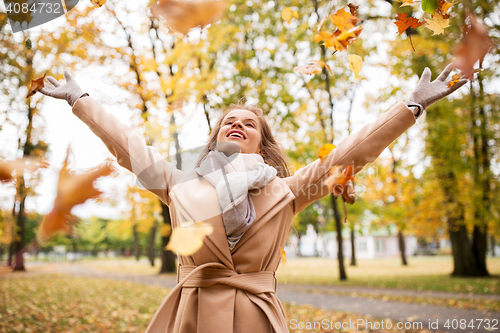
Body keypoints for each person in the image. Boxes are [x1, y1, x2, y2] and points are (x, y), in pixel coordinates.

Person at [40, 65, 467, 333]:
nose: (238, 125)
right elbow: (127, 144)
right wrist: (81, 99)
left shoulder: (288, 190)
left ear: (262, 145)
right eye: (229, 121)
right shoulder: (179, 183)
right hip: (190, 316)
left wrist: (411, 106)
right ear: (216, 137)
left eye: (248, 123)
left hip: (256, 319)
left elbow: (351, 152)